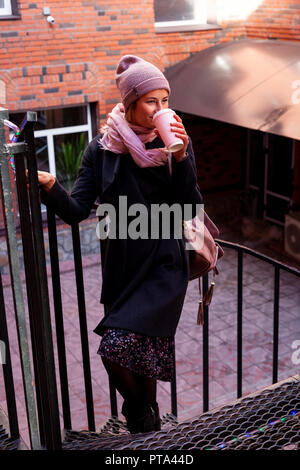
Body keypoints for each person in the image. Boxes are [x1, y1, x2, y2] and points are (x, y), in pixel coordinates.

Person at [37, 55, 203, 434]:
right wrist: (50, 186)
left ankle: (142, 423)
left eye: (165, 101)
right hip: (123, 268)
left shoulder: (174, 142)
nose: (161, 109)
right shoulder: (101, 149)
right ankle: (147, 429)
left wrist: (180, 154)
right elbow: (78, 210)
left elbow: (190, 205)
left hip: (163, 265)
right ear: (129, 102)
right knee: (138, 359)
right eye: (151, 101)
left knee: (114, 349)